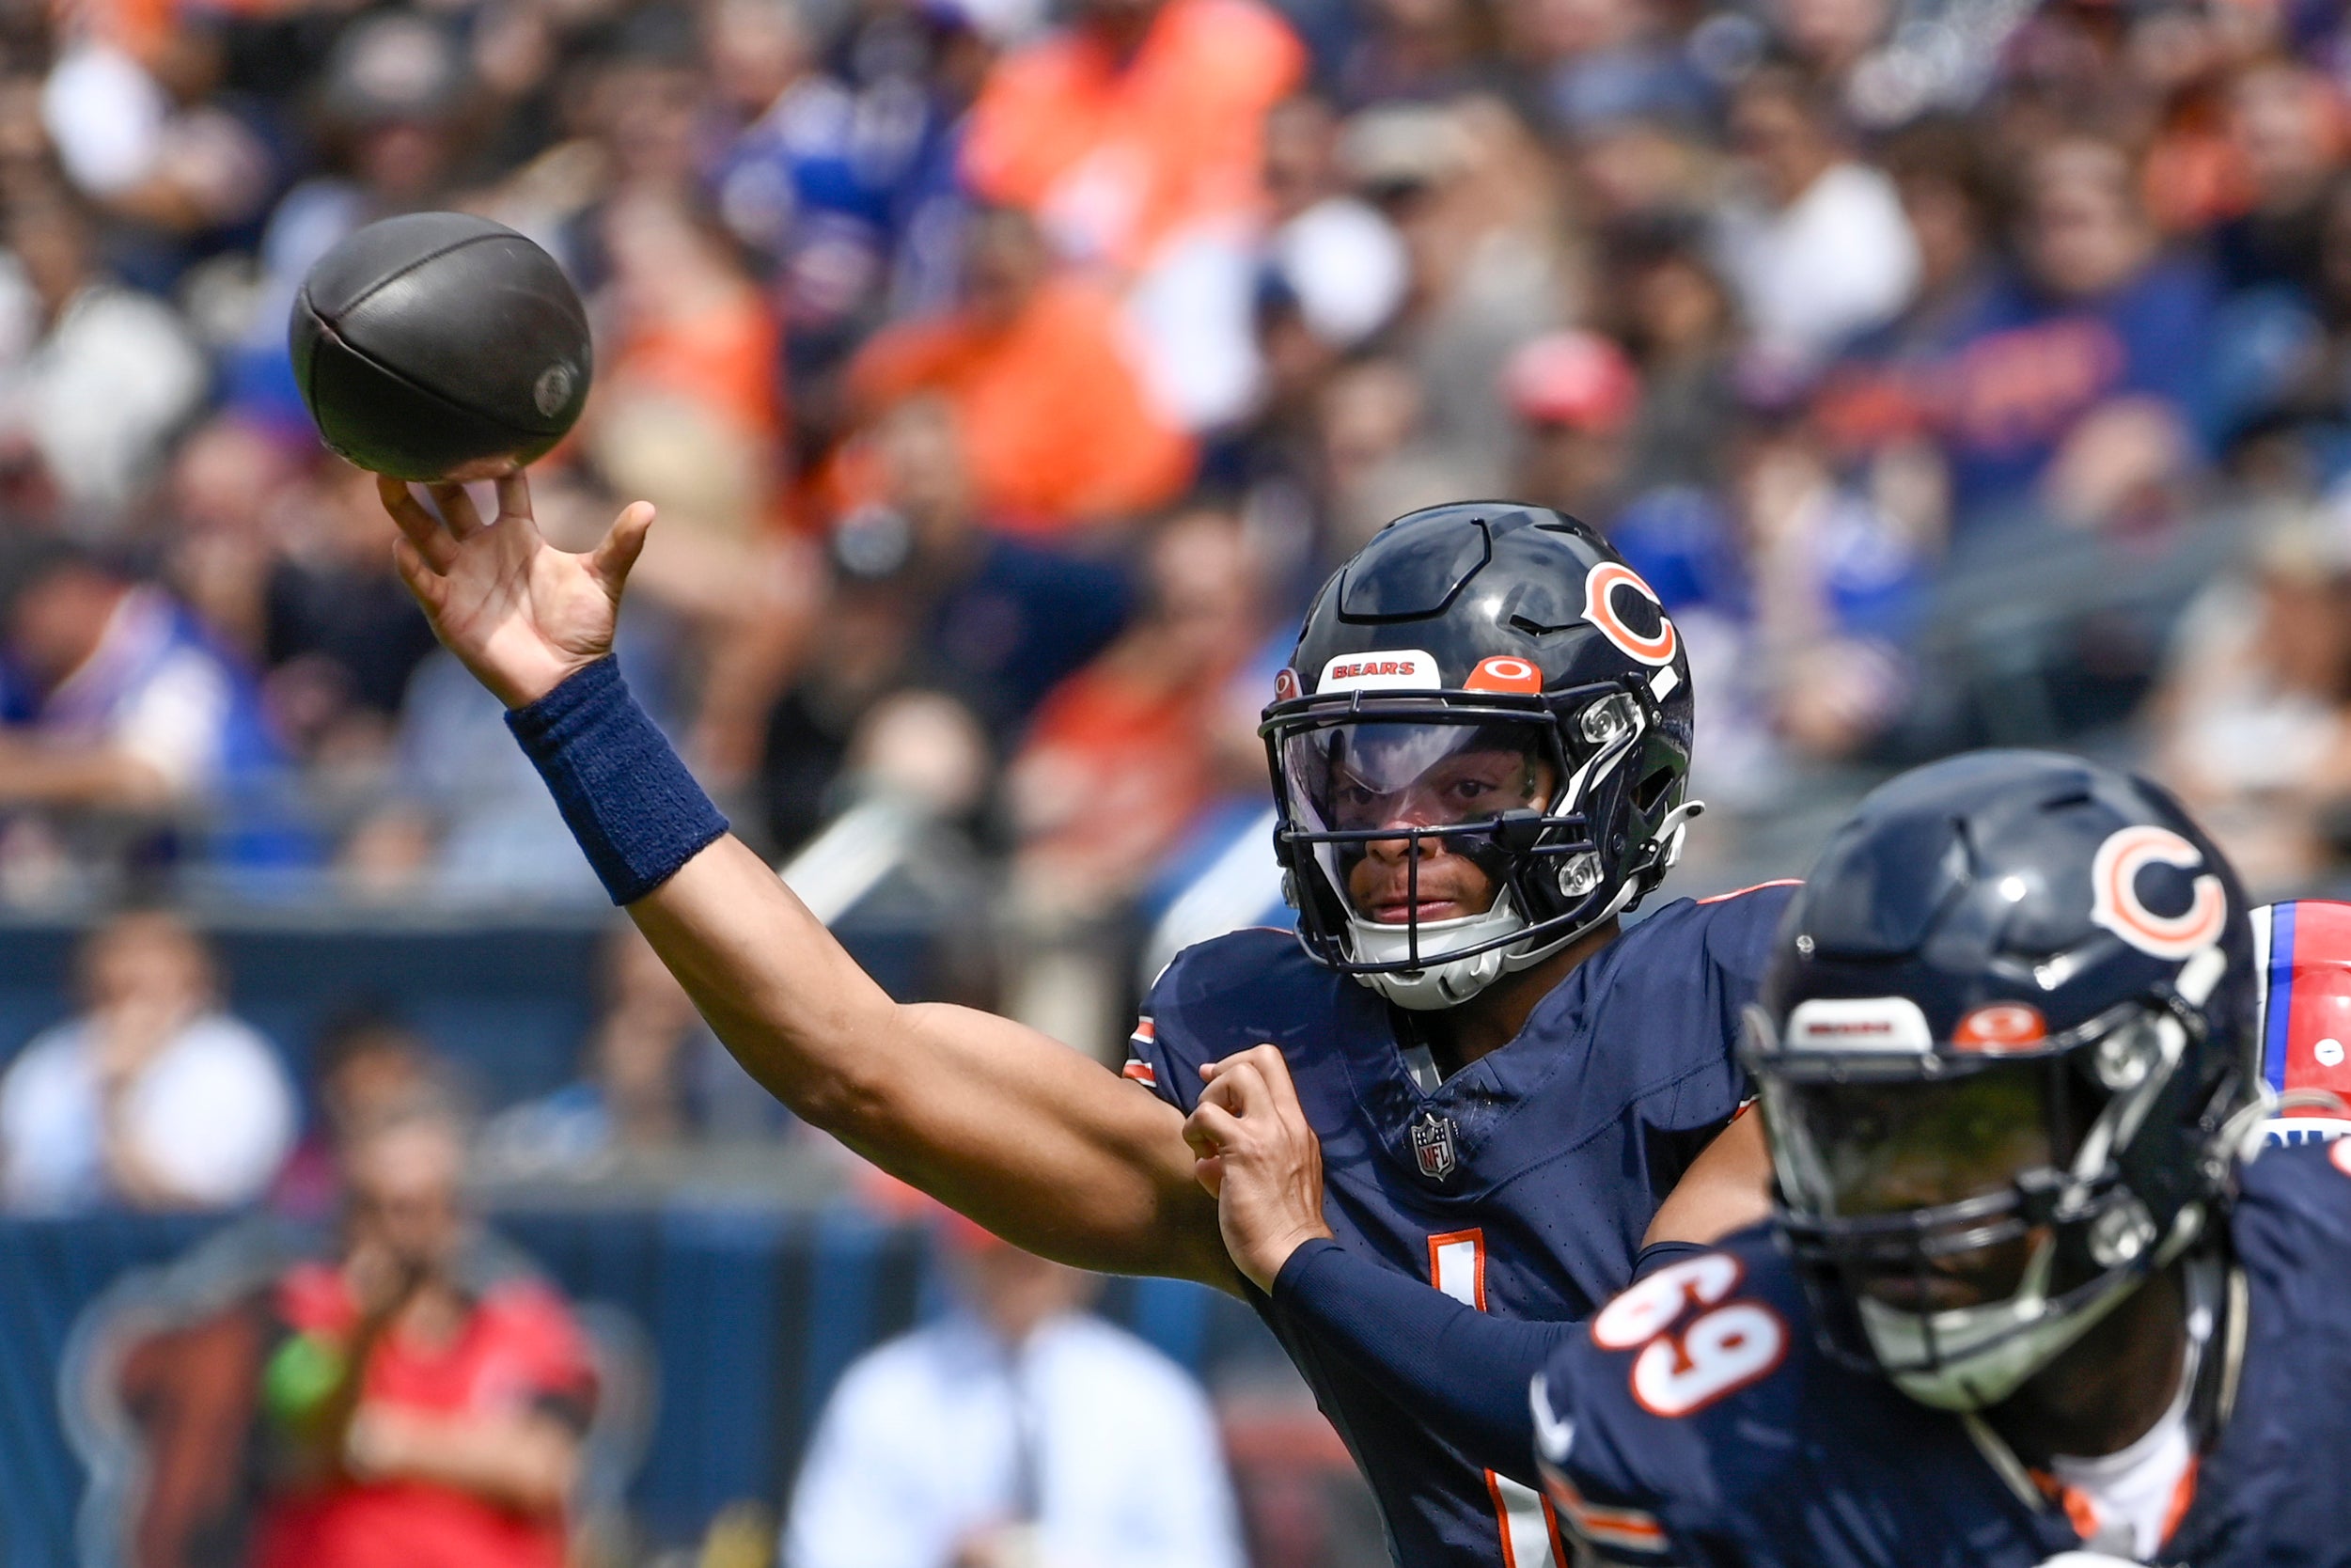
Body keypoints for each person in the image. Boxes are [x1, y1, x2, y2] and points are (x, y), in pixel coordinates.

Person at [377, 467, 1787, 1568]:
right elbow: (852, 1059)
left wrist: (1302, 1260)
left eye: (1468, 790)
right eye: (1358, 786)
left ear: (1619, 788)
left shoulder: (1751, 1007)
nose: (1395, 835)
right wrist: (576, 711)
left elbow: (1628, 1415)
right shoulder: (1282, 1069)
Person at [1196, 750, 2351, 1565]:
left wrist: (1306, 1260)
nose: (1896, 1203)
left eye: (1966, 1130)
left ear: (2163, 1107)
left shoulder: (2319, 1284)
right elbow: (1587, 1403)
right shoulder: (1719, 1400)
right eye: (1844, 1129)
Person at [249, 1090, 597, 1568]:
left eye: (410, 1208)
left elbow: (545, 1468)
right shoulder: (304, 1310)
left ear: (456, 1215)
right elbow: (311, 1444)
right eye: (368, 1208)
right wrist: (365, 1329)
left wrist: (387, 1443)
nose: (387, 1231)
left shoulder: (524, 1323)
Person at [783, 1213, 1246, 1568]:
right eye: (1003, 1252)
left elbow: (1205, 1556)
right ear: (955, 1257)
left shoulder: (1153, 1400)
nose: (1022, 1267)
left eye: (1037, 1254)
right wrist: (943, 1556)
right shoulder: (883, 1394)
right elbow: (821, 1550)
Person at [0, 907, 294, 1212]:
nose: (133, 970)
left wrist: (117, 1101)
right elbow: (21, 1192)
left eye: (152, 955)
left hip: (202, 1239)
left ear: (194, 972)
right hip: (59, 1238)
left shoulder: (233, 1060)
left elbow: (187, 1206)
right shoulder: (52, 1059)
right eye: (119, 952)